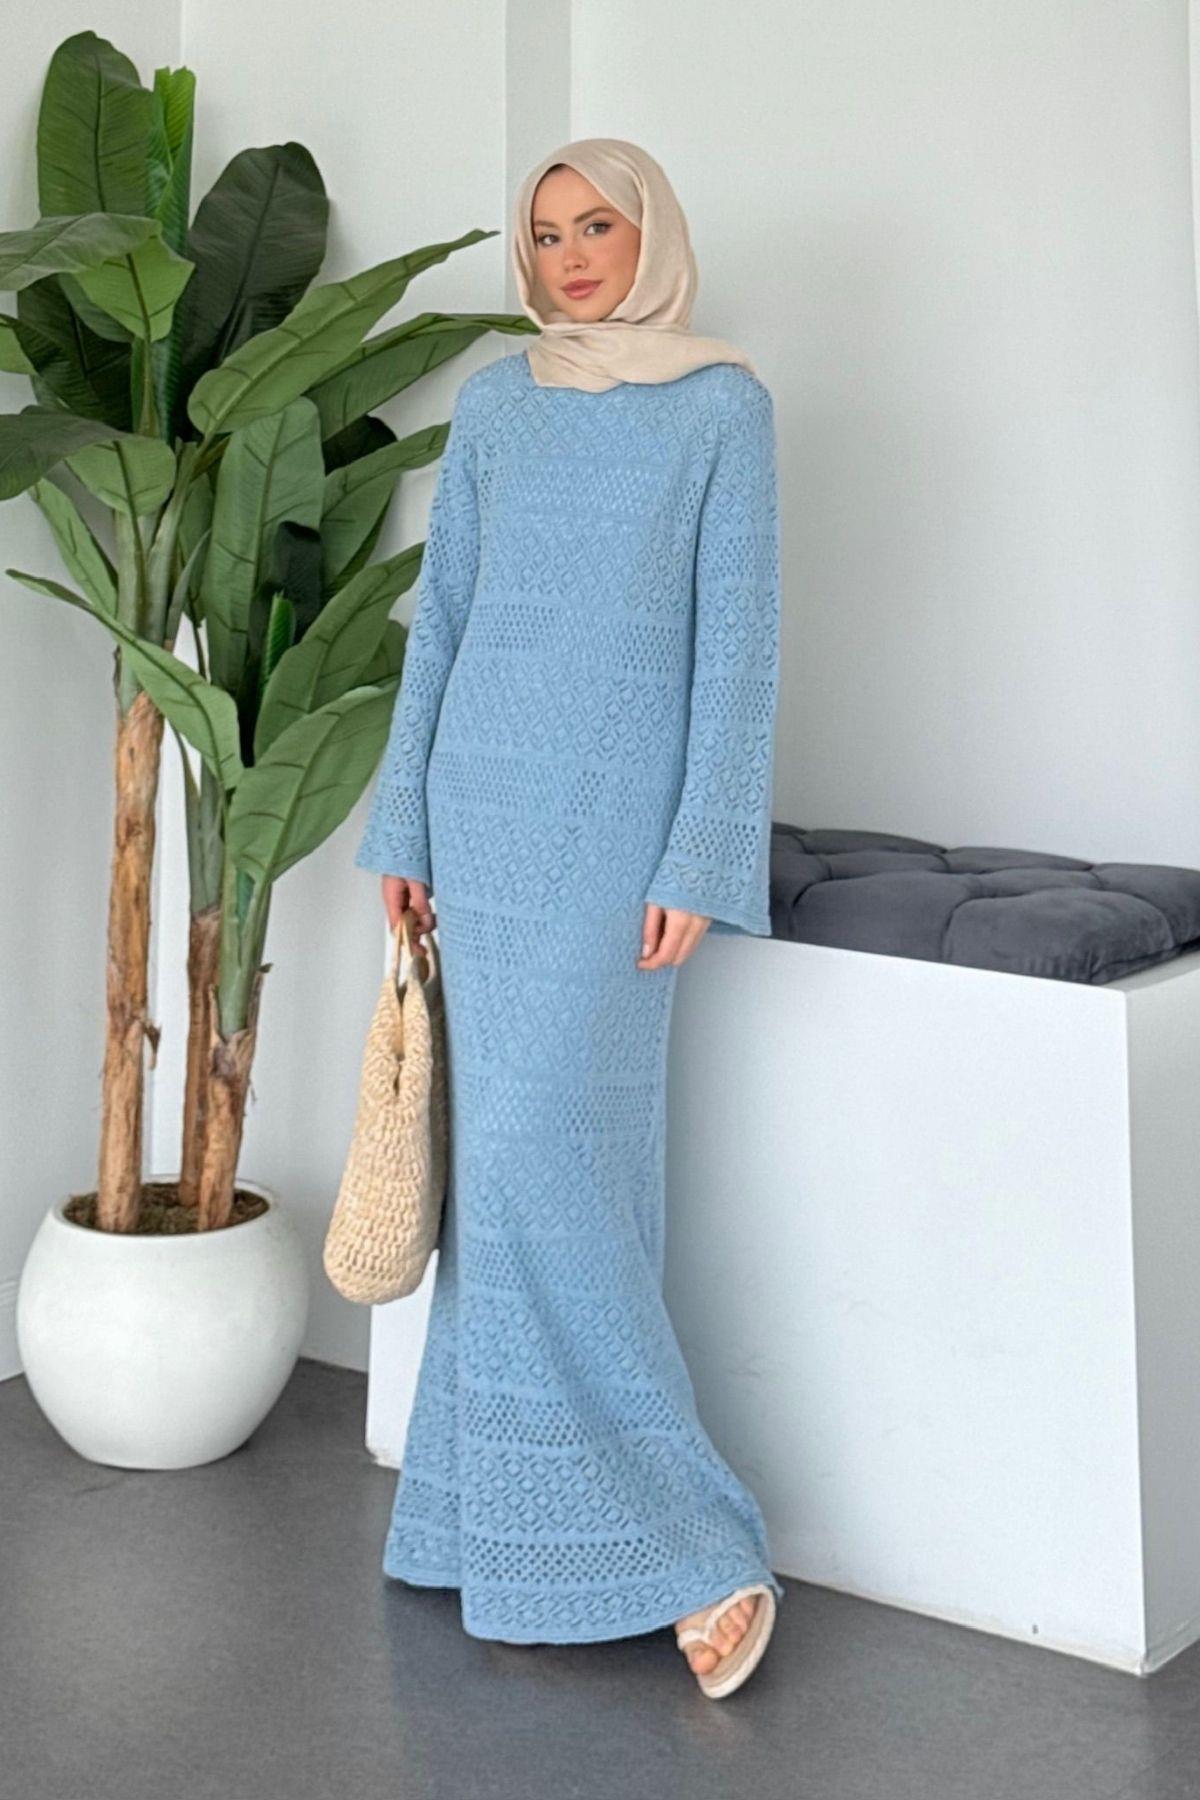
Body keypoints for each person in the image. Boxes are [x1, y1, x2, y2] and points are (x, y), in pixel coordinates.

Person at [354, 136, 783, 1699]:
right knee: (507, 1176)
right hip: (479, 815)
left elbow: (739, 649)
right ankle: (487, 1526)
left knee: (556, 1167)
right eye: (545, 235)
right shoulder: (496, 406)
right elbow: (444, 621)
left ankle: (699, 1545)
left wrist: (699, 854)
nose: (573, 256)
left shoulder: (724, 408)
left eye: (599, 225)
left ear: (651, 231)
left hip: (613, 841)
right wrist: (403, 821)